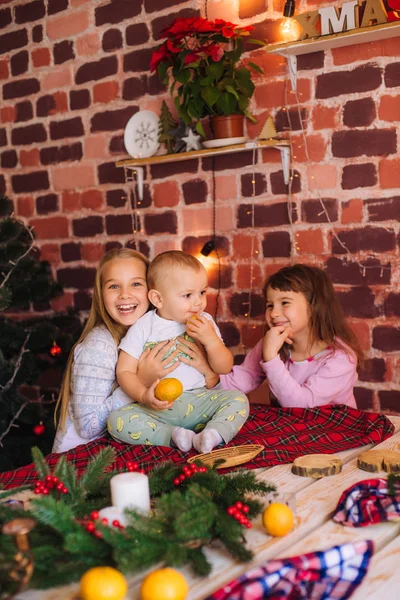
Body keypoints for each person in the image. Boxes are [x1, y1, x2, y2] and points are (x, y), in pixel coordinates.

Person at [107, 251, 249, 453]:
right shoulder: (144, 326)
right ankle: (173, 436)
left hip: (199, 401)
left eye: (202, 292)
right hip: (157, 408)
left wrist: (211, 340)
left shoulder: (205, 322)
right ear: (158, 298)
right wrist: (144, 396)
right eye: (188, 295)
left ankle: (212, 434)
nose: (198, 302)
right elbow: (124, 371)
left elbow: (224, 367)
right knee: (116, 421)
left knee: (238, 399)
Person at [53, 247, 186, 453]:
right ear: (101, 295)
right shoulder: (98, 347)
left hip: (116, 448)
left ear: (153, 291)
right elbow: (88, 427)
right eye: (114, 286)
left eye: (136, 284)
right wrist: (138, 381)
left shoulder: (150, 333)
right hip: (78, 459)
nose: (125, 294)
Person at [218, 264, 364, 408]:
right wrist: (204, 373)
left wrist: (271, 358)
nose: (274, 313)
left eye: (285, 303)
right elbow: (240, 380)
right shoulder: (271, 344)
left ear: (314, 306)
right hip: (290, 426)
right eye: (270, 305)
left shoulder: (340, 358)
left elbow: (300, 405)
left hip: (331, 426)